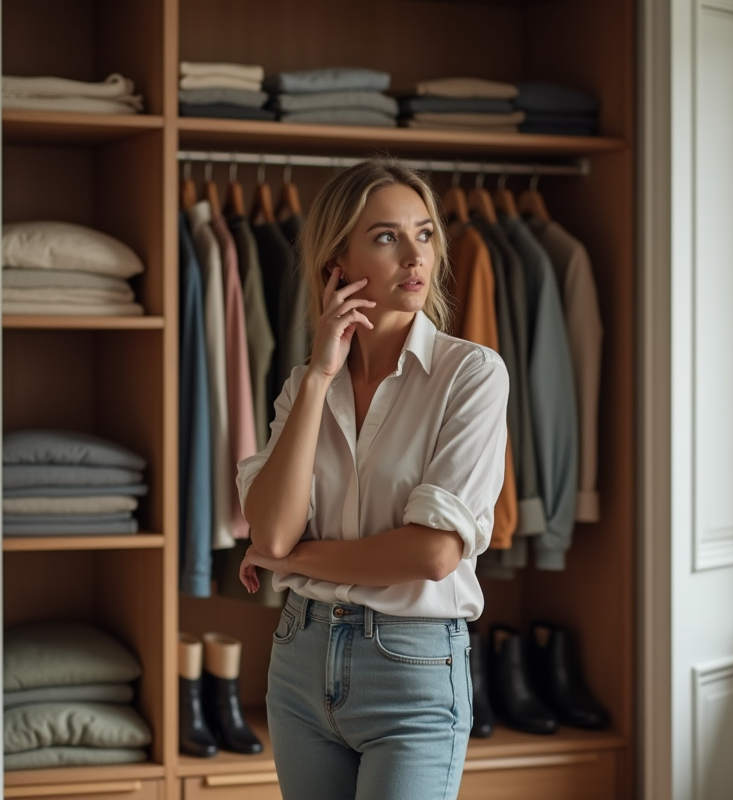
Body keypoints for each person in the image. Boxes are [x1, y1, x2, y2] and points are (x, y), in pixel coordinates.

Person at [236, 158, 509, 800]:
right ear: (338, 261)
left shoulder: (471, 375)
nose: (416, 256)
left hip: (411, 667)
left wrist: (292, 560)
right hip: (299, 659)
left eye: (425, 233)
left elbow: (432, 554)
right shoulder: (302, 388)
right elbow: (268, 531)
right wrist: (319, 378)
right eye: (387, 237)